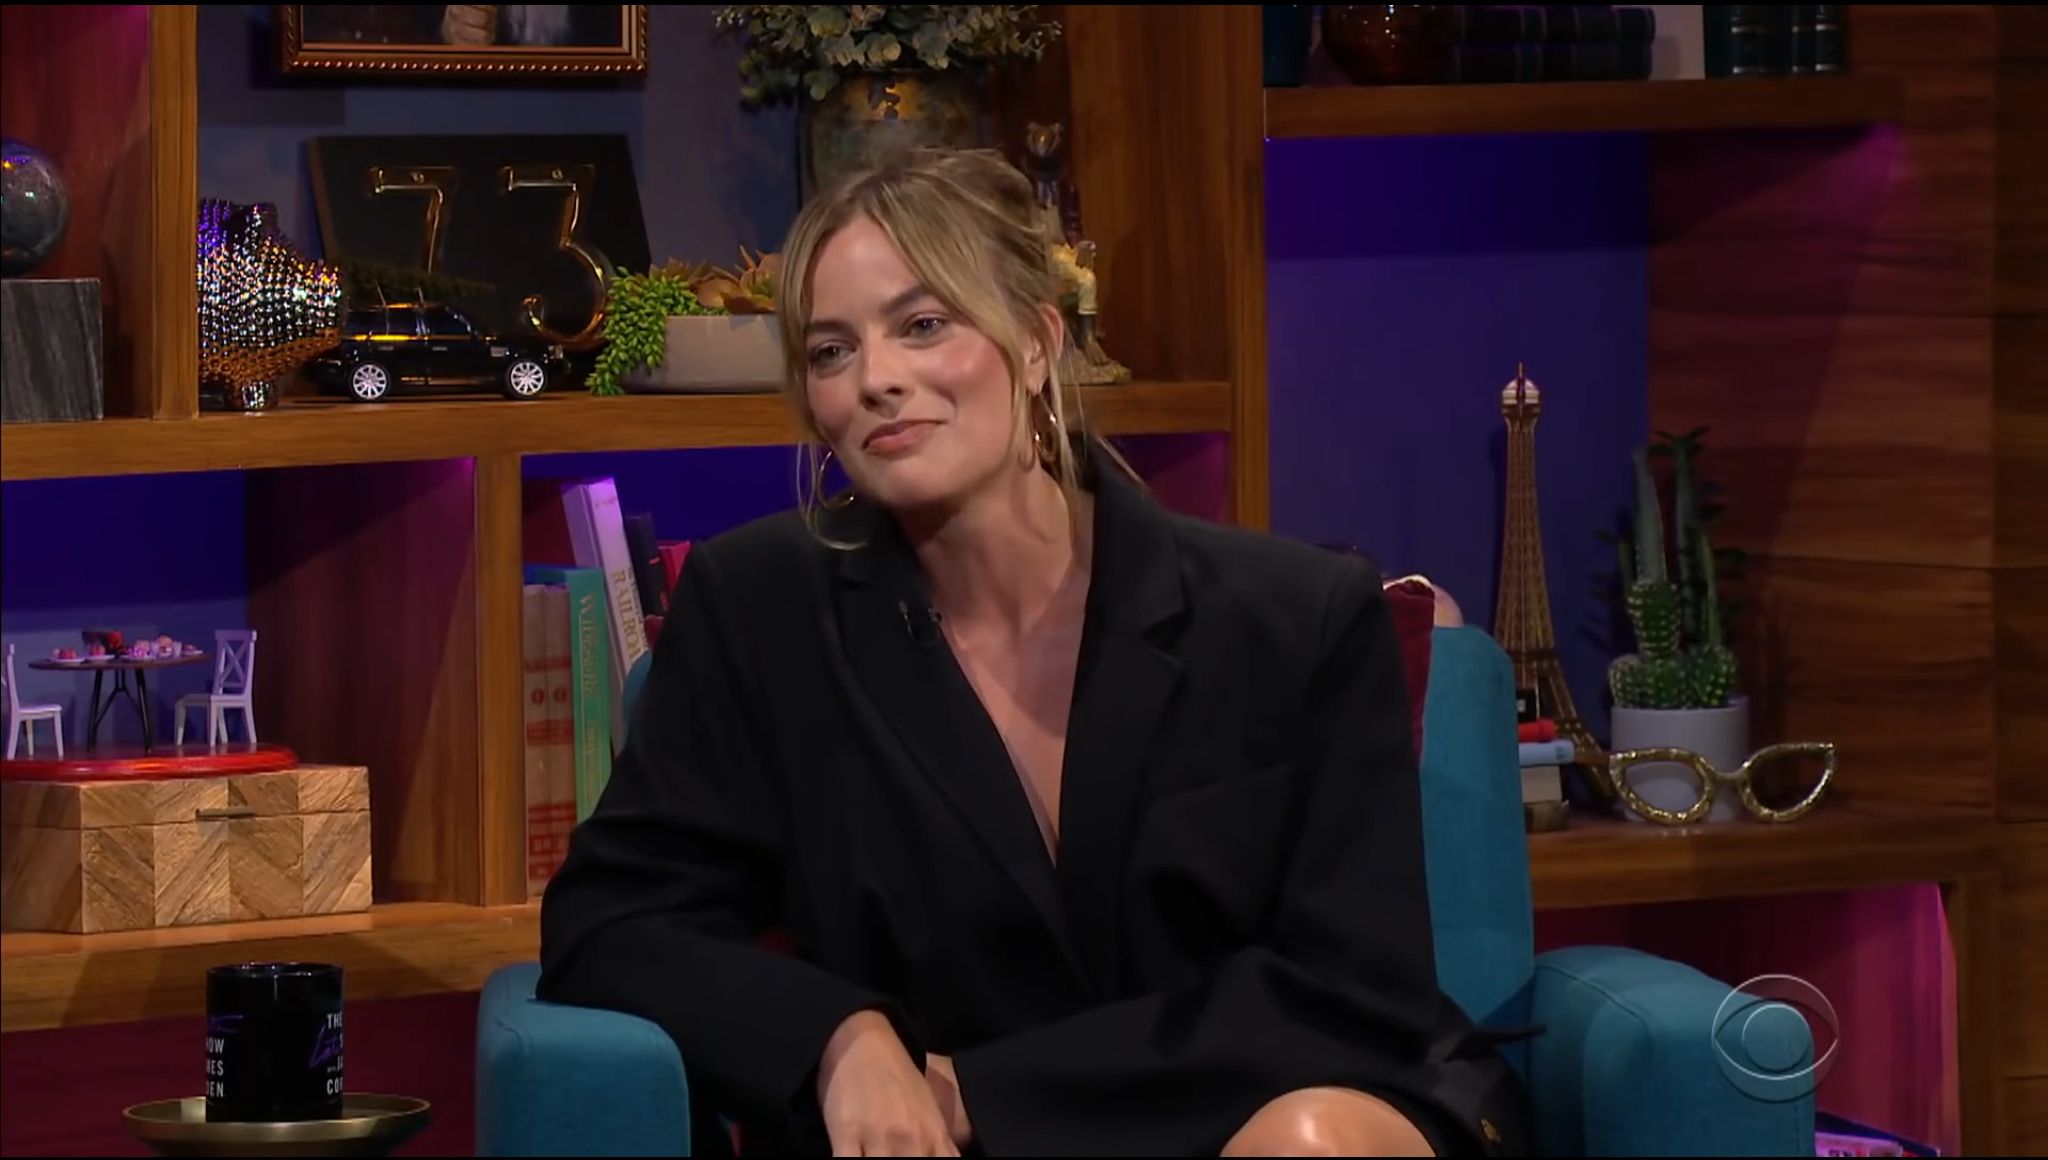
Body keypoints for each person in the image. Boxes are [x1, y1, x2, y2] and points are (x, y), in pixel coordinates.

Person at [536, 148, 1533, 1157]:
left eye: (924, 325)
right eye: (832, 350)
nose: (877, 379)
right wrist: (839, 1037)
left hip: (1259, 1105)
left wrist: (978, 1091)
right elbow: (610, 921)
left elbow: (1351, 995)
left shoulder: (1292, 618)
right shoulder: (760, 611)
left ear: (1035, 344)